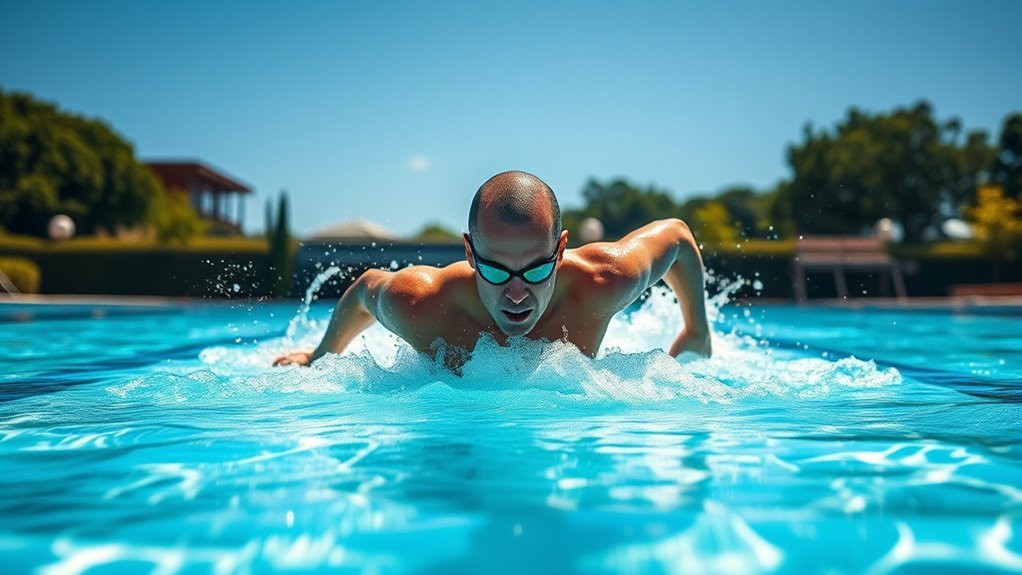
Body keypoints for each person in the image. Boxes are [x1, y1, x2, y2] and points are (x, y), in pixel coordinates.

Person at [273, 170, 711, 370]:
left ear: (560, 251)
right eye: (497, 272)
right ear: (470, 253)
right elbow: (366, 289)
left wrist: (696, 331)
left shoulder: (603, 281)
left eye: (536, 271)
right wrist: (321, 355)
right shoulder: (422, 304)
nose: (517, 295)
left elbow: (676, 236)